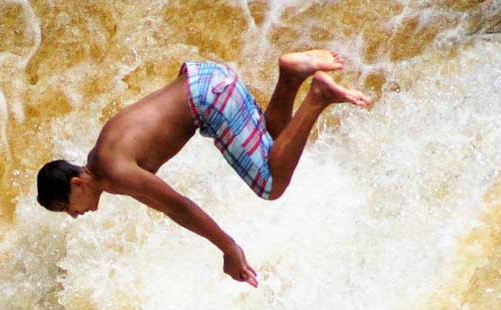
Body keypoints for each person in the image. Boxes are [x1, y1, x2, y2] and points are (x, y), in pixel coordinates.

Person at [36, 50, 371, 287]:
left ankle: (318, 95)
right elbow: (166, 208)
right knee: (275, 144)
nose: (73, 215)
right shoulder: (103, 158)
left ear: (77, 184)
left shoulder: (115, 171)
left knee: (270, 184)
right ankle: (291, 74)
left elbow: (179, 206)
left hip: (208, 99)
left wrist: (229, 248)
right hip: (204, 80)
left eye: (67, 206)